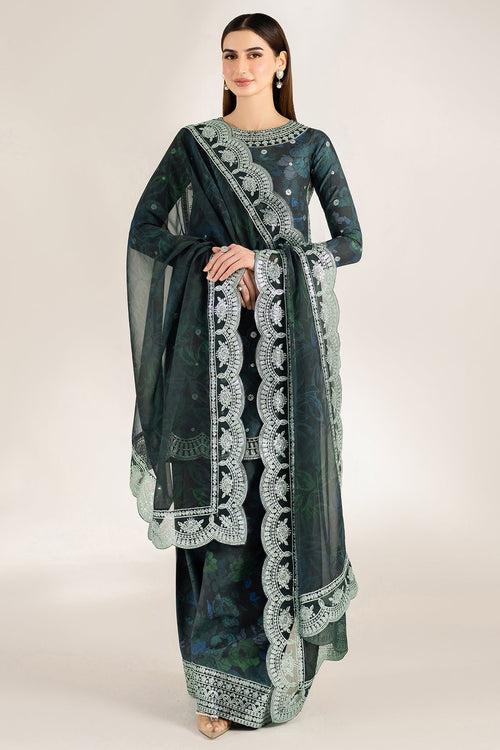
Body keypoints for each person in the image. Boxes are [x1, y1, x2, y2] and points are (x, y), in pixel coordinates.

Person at [126, 12, 362, 739]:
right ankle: (216, 684)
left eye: (255, 54)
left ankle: (278, 675)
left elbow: (349, 242)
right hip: (212, 363)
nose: (241, 67)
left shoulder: (311, 145)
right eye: (230, 55)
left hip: (291, 361)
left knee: (279, 510)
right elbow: (146, 229)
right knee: (220, 518)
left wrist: (268, 264)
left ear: (281, 63)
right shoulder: (195, 145)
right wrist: (215, 262)